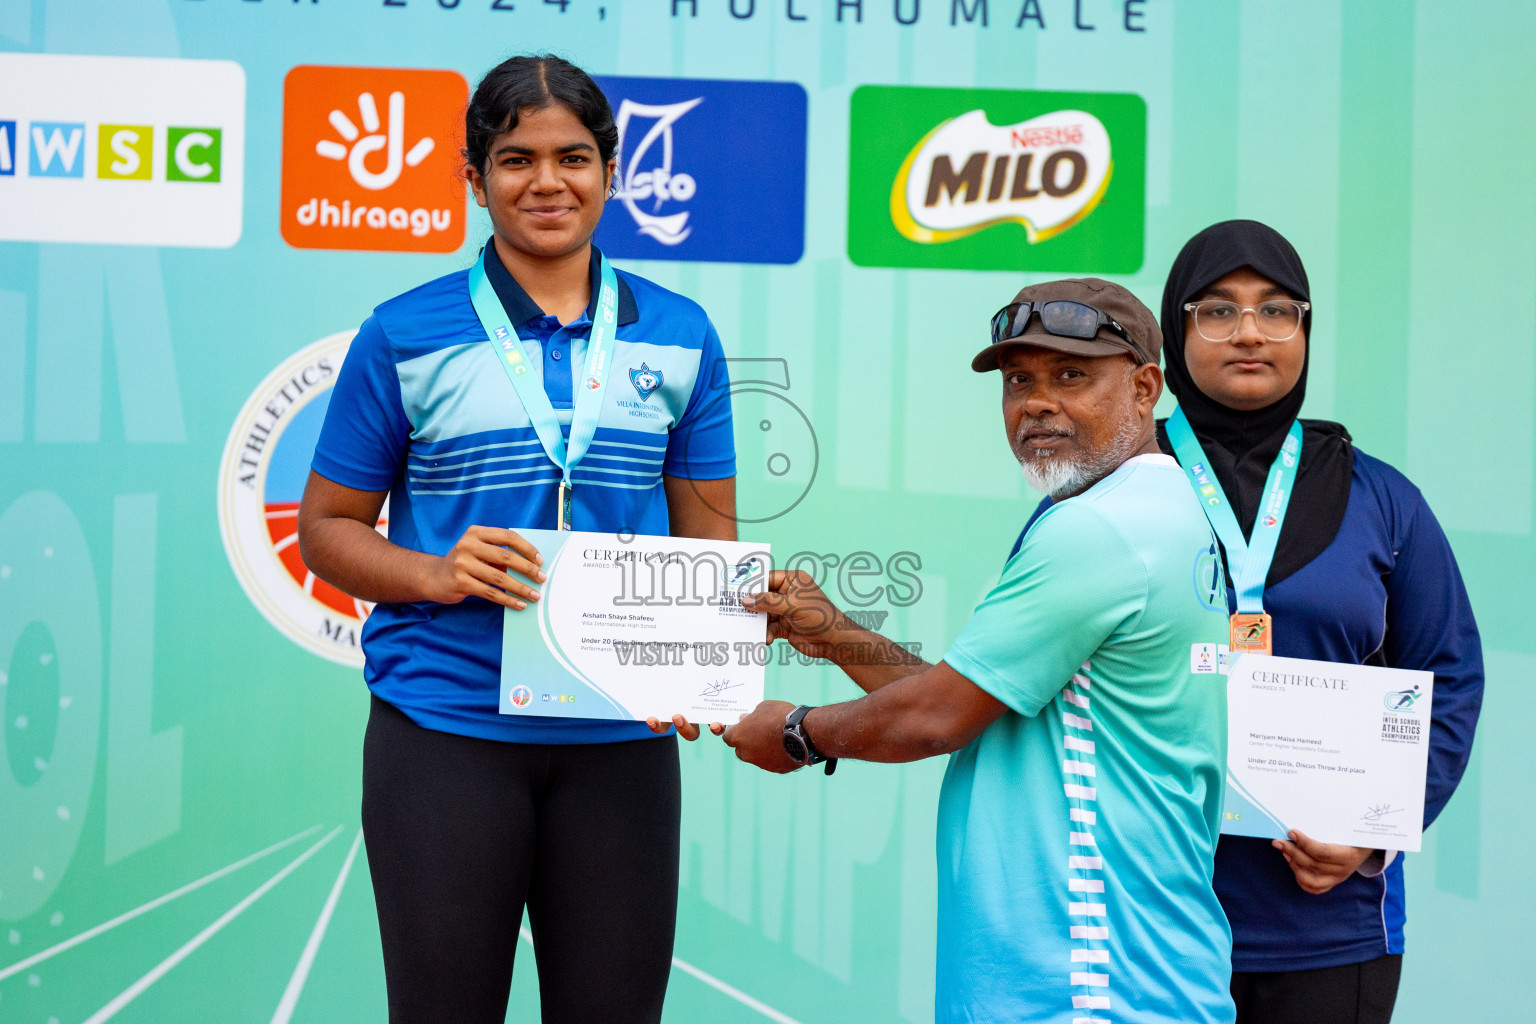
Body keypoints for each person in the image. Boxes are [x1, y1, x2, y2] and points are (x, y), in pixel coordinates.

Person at [296, 55, 737, 1024]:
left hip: (620, 736)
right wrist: (435, 571)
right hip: (444, 733)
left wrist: (705, 663)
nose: (547, 182)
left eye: (573, 156)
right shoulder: (404, 333)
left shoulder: (682, 334)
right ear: (474, 176)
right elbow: (324, 528)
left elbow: (709, 537)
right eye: (515, 158)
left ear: (610, 169)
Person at [722, 278, 1237, 1024]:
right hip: (1111, 977)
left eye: (1071, 376)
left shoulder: (1101, 532)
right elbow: (977, 697)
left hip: (1087, 987)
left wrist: (799, 731)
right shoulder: (1142, 510)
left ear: (1145, 388)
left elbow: (936, 720)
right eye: (1018, 380)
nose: (1035, 403)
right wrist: (825, 628)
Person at [1155, 220, 1483, 1024]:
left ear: (1305, 329)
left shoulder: (1384, 500)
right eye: (1217, 311)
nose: (1250, 333)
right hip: (1149, 918)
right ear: (1174, 328)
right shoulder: (1116, 487)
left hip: (1327, 928)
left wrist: (1375, 839)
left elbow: (1450, 678)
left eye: (1278, 310)